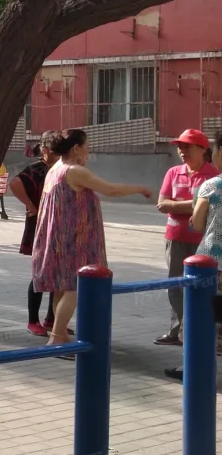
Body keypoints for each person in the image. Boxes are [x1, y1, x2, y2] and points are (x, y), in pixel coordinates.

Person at [32, 129, 153, 349]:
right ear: (76, 148)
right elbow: (110, 190)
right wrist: (140, 188)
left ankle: (59, 334)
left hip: (57, 237)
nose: (89, 150)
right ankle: (57, 337)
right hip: (74, 238)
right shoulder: (74, 171)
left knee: (62, 288)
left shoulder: (55, 169)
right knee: (75, 288)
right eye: (86, 145)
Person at [153, 128, 218, 345]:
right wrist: (196, 204)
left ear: (203, 149)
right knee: (175, 285)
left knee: (203, 286)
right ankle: (177, 331)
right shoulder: (173, 172)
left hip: (203, 240)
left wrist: (175, 205)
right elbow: (162, 204)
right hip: (175, 237)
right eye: (180, 147)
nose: (182, 151)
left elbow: (210, 206)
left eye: (187, 146)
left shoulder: (213, 175)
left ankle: (199, 331)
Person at [165, 130, 222, 381]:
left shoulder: (211, 185)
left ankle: (193, 369)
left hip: (211, 263)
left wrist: (193, 215)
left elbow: (197, 224)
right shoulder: (175, 172)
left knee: (200, 316)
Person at [9, 131, 62, 336]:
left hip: (58, 227)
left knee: (57, 273)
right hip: (40, 226)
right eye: (55, 151)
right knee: (41, 273)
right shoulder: (37, 169)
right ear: (45, 150)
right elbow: (15, 183)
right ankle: (33, 320)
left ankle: (51, 319)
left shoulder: (59, 169)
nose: (58, 155)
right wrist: (31, 206)